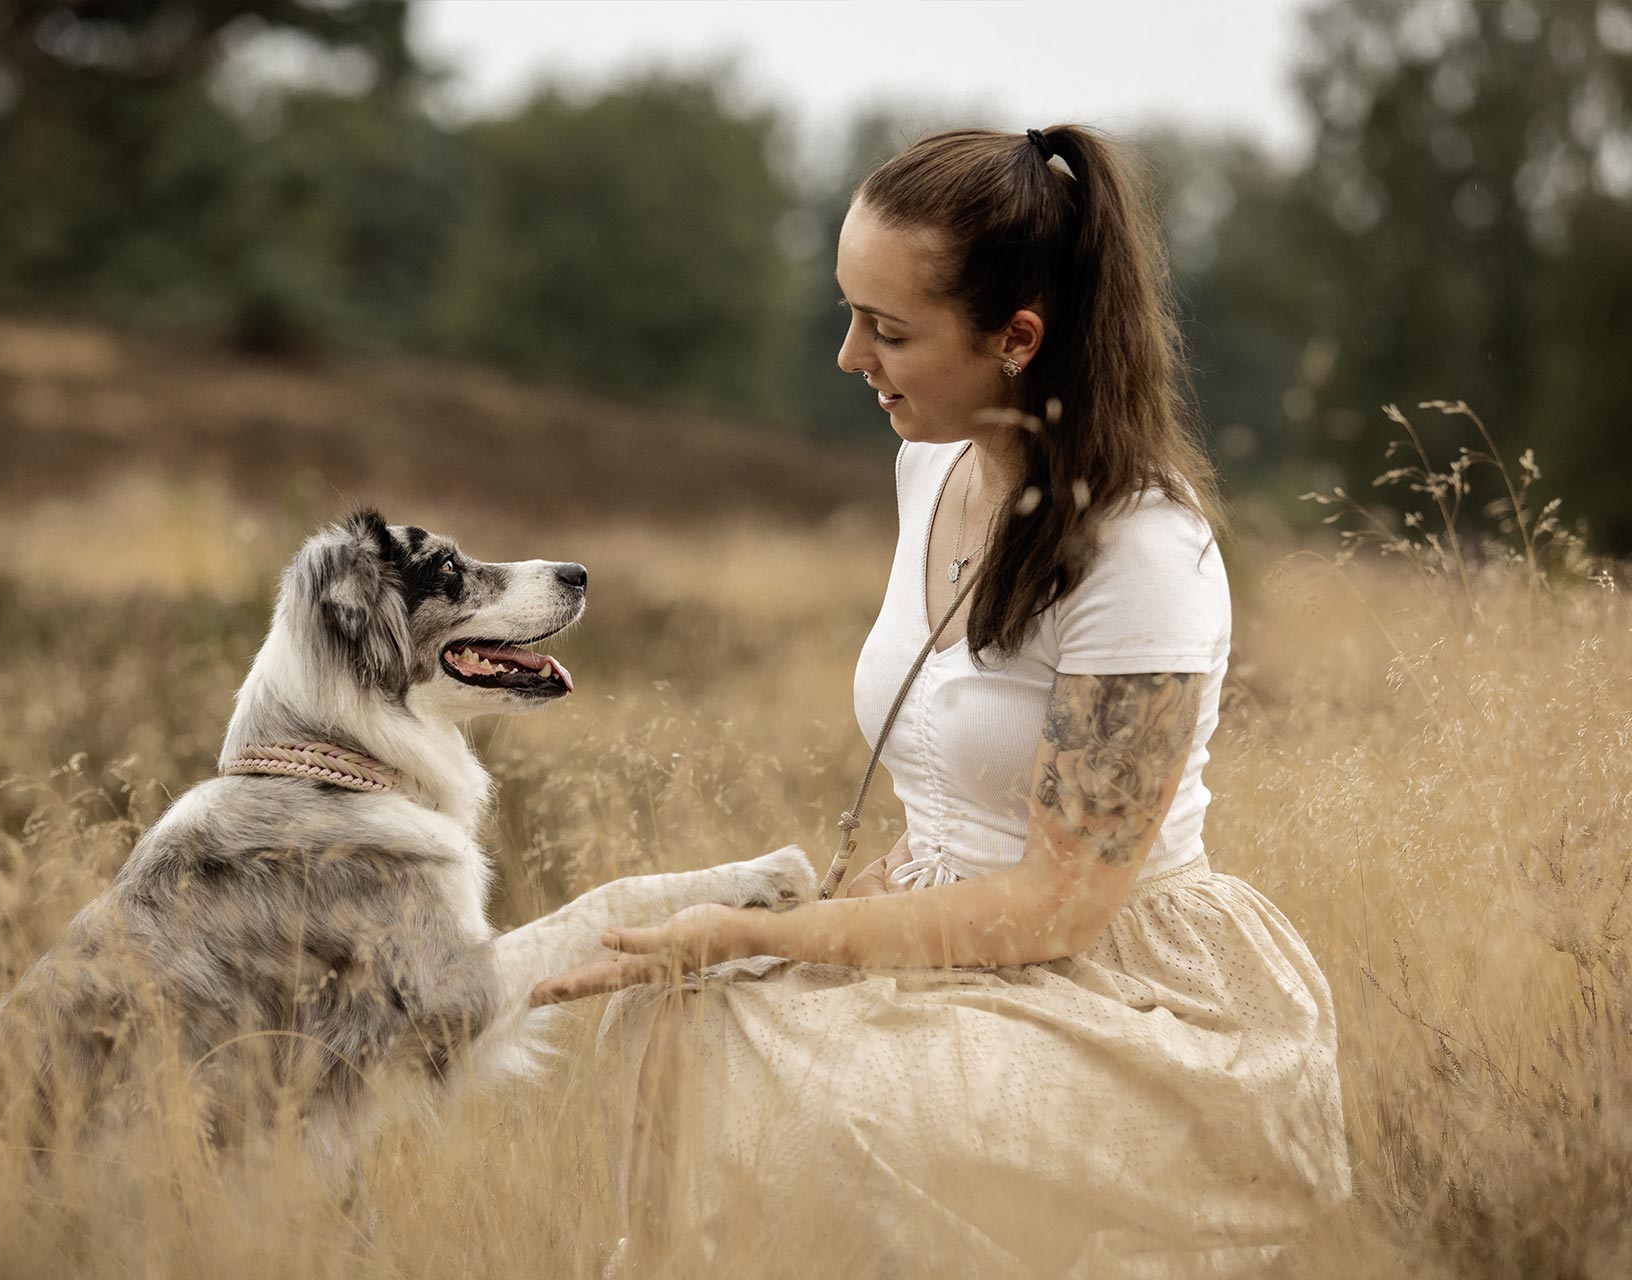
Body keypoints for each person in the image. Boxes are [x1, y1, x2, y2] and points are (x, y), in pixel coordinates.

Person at [533, 125, 1352, 1276]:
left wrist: (773, 931)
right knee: (678, 1017)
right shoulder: (934, 462)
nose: (848, 355)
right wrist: (762, 942)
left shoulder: (1144, 554)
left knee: (822, 1108)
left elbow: (1060, 907)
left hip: (1117, 989)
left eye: (889, 328)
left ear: (1018, 338)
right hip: (950, 938)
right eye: (848, 310)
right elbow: (951, 825)